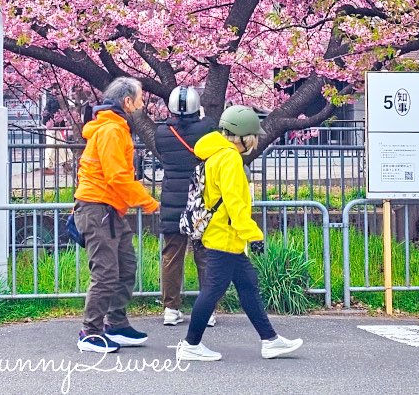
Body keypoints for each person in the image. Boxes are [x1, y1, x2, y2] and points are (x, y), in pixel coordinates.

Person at [175, 105, 303, 362]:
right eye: (253, 135)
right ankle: (190, 344)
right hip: (225, 236)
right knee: (212, 290)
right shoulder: (230, 159)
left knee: (248, 286)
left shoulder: (215, 154)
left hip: (223, 235)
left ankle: (270, 340)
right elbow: (235, 204)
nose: (255, 140)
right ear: (243, 136)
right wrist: (254, 235)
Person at [72, 77, 160, 354]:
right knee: (107, 272)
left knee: (125, 265)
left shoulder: (115, 127)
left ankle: (117, 323)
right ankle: (91, 332)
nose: (142, 103)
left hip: (108, 209)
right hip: (98, 208)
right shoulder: (111, 130)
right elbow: (117, 176)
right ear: (127, 102)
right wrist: (148, 203)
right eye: (140, 98)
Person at [156, 85, 217, 327]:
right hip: (199, 200)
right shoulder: (208, 127)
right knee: (204, 254)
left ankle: (171, 308)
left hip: (172, 201)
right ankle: (208, 310)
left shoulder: (161, 133)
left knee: (172, 255)